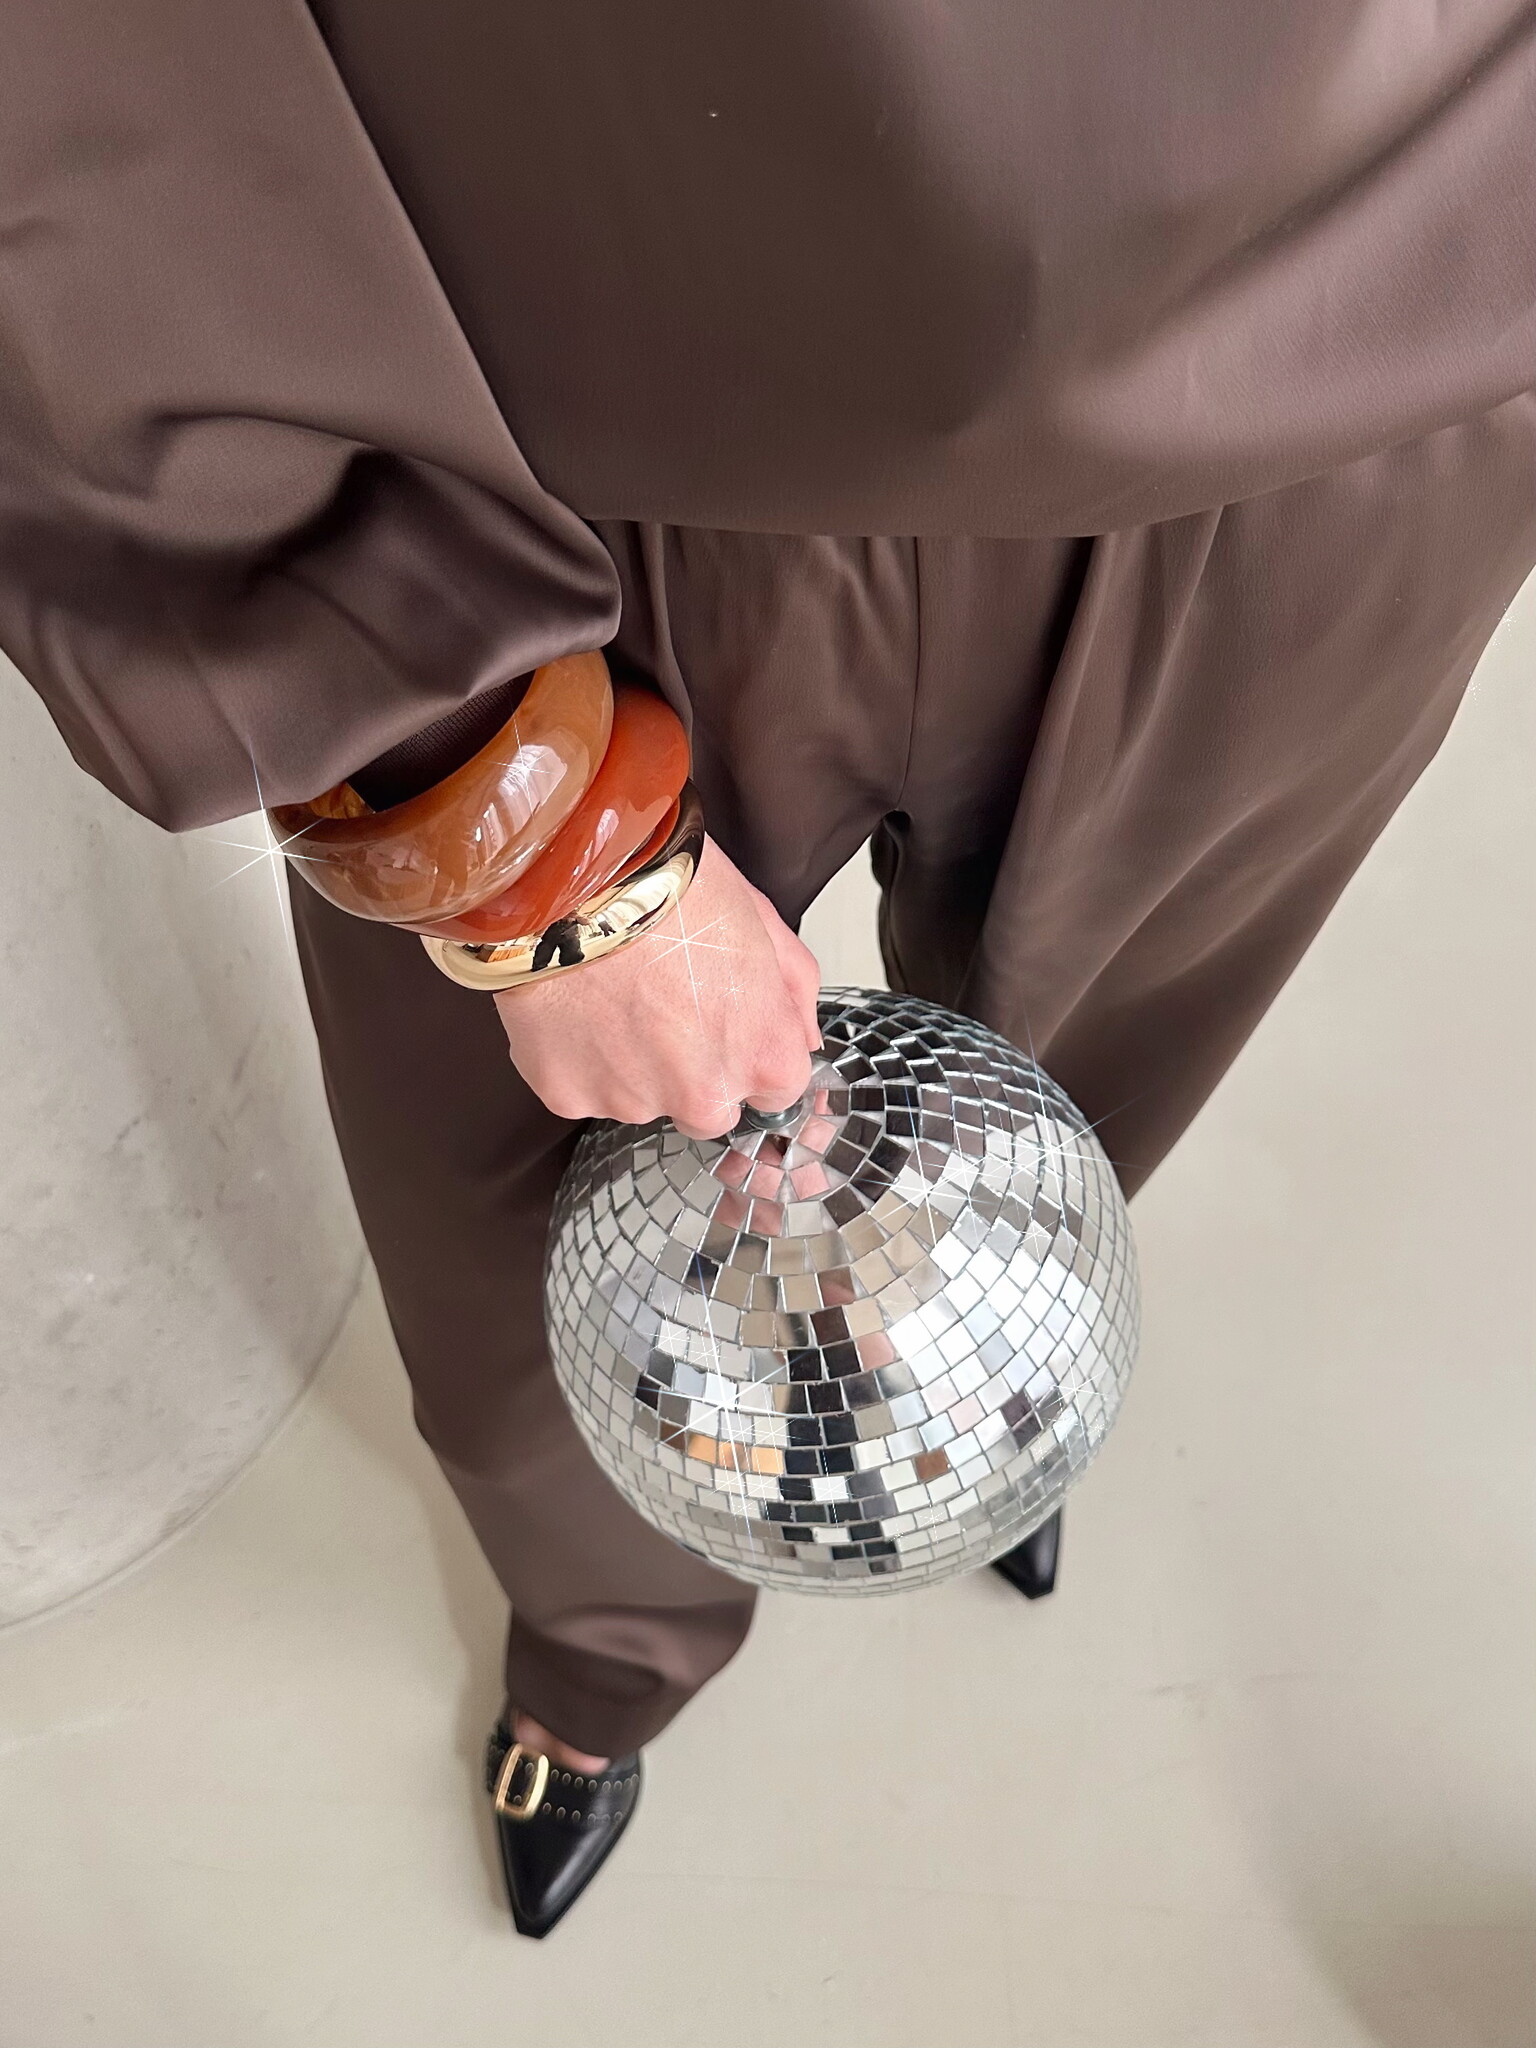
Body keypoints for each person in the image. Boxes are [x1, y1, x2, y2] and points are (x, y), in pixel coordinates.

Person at [3, 0, 1532, 1939]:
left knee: (1066, 1115)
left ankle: (985, 1394)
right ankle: (608, 1642)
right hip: (552, 410)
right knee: (523, 1284)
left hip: (1363, 380)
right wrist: (510, 815)